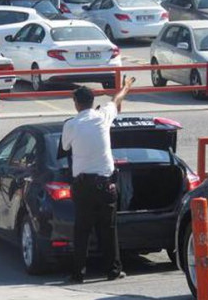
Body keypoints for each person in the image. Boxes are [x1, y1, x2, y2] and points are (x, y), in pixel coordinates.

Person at [62, 76, 136, 284]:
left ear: (76, 104)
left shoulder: (71, 124)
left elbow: (66, 147)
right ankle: (113, 271)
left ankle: (78, 274)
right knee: (109, 229)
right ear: (93, 103)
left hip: (83, 187)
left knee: (81, 231)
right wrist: (127, 86)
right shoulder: (103, 115)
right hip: (106, 185)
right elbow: (117, 98)